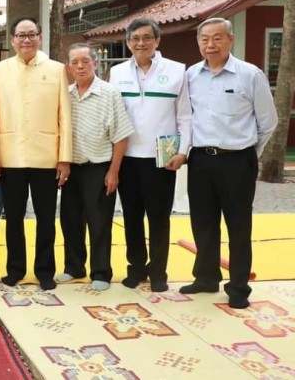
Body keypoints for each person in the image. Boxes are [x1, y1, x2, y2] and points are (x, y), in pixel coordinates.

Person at [180, 18, 277, 309]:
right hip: (200, 160)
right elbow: (186, 117)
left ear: (230, 40)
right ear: (198, 42)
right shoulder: (191, 75)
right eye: (204, 39)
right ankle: (206, 277)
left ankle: (238, 287)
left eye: (217, 38)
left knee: (238, 225)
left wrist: (248, 151)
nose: (210, 44)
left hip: (237, 161)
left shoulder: (250, 74)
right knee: (203, 222)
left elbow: (268, 121)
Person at [0, 17, 72, 290]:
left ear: (40, 38)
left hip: (47, 156)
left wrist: (64, 158)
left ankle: (45, 271)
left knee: (46, 219)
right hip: (10, 156)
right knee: (13, 219)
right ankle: (15, 269)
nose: (26, 40)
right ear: (12, 40)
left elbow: (65, 117)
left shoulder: (56, 69)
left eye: (31, 34)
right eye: (21, 35)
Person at [109, 18, 191, 292]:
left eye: (146, 38)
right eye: (135, 39)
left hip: (161, 159)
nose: (140, 43)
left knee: (159, 219)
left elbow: (185, 116)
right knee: (131, 218)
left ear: (157, 40)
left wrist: (182, 151)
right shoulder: (117, 72)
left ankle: (158, 273)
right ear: (128, 42)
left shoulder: (177, 71)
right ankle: (136, 268)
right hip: (127, 158)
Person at [57, 44, 134, 290]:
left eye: (85, 61)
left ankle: (101, 272)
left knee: (99, 221)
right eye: (74, 62)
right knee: (70, 219)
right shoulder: (65, 94)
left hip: (99, 167)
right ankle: (74, 267)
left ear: (95, 63)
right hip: (71, 167)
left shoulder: (109, 93)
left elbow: (121, 136)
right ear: (68, 67)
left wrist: (114, 171)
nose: (80, 66)